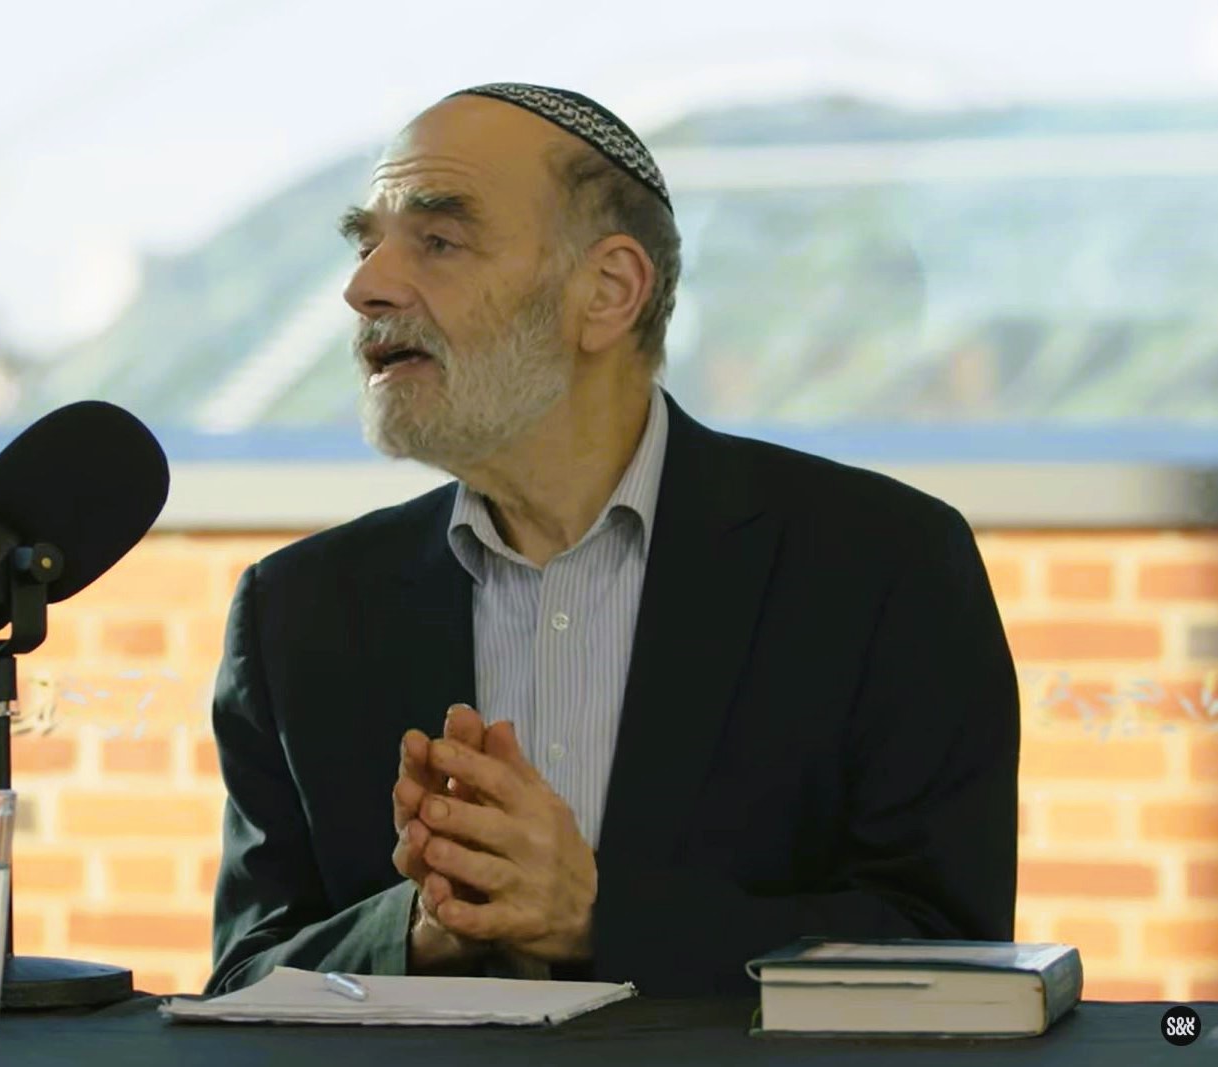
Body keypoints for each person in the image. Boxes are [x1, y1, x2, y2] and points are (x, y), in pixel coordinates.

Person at [203, 82, 1019, 996]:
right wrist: (421, 930)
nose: (364, 287)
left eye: (436, 241)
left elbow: (946, 956)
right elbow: (244, 982)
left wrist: (598, 918)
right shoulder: (298, 610)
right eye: (366, 243)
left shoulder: (883, 567)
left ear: (607, 291)